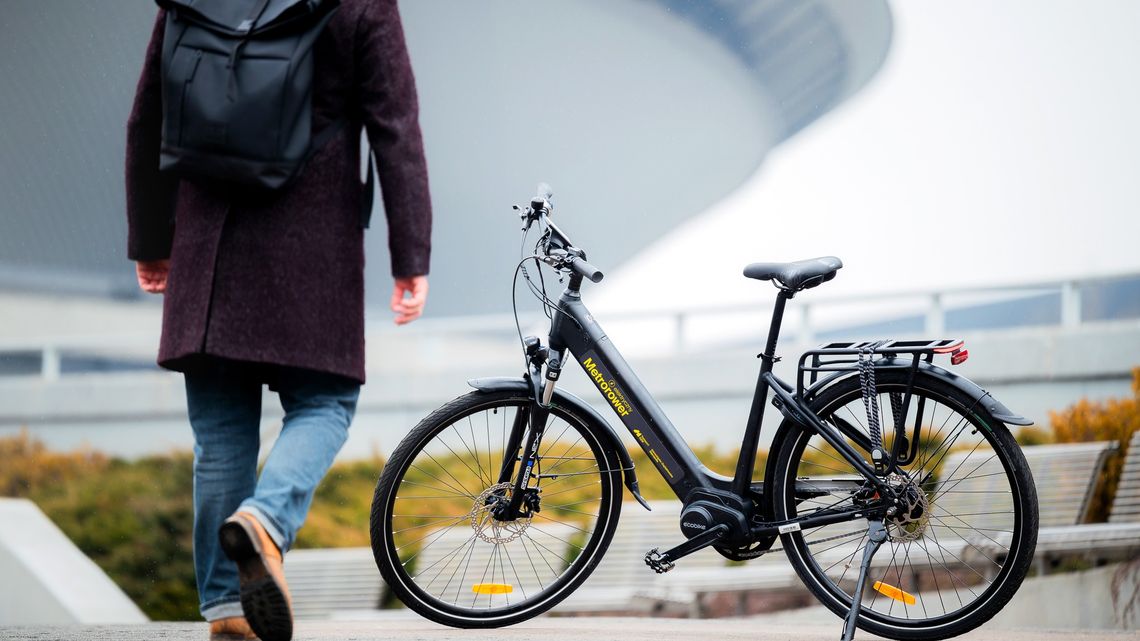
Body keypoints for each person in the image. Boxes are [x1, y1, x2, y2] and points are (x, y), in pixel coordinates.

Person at [124, 1, 431, 639]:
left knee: (220, 439)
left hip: (209, 249)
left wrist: (151, 241)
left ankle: (226, 611)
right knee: (327, 403)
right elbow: (395, 127)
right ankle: (265, 520)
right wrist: (412, 255)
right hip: (311, 250)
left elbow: (147, 117)